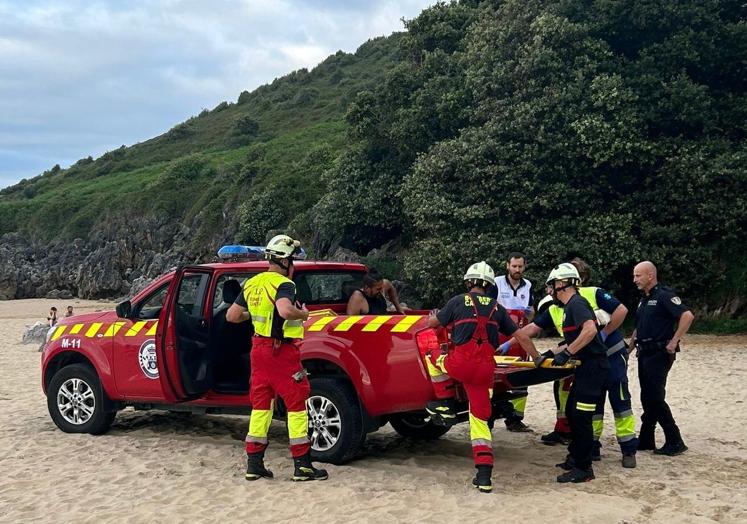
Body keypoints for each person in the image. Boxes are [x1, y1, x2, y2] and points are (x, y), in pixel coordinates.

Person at [424, 261, 540, 493]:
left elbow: (432, 323)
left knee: (431, 356)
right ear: (489, 286)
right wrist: (537, 359)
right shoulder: (498, 308)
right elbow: (523, 337)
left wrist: (433, 317)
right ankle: (484, 475)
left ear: (469, 282)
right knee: (479, 421)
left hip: (459, 365)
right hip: (485, 371)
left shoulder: (458, 301)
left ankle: (444, 402)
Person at [227, 234, 328, 482]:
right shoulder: (285, 284)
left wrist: (253, 317)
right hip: (281, 351)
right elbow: (284, 310)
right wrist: (303, 315)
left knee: (261, 406)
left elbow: (231, 315)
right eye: (292, 261)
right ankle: (302, 466)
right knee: (296, 404)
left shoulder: (252, 283)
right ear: (285, 262)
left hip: (258, 351)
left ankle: (254, 464)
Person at [536, 263, 610, 483]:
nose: (551, 292)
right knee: (571, 411)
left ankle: (584, 467)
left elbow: (589, 331)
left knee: (581, 417)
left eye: (552, 286)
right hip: (585, 368)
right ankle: (575, 457)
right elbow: (572, 339)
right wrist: (549, 354)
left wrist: (567, 353)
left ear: (562, 284)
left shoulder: (577, 304)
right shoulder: (571, 307)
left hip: (593, 369)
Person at [630, 261, 695, 456]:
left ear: (650, 275)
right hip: (645, 352)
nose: (635, 280)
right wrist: (629, 348)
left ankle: (674, 440)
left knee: (655, 398)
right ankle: (646, 438)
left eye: (638, 276)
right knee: (646, 396)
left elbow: (687, 316)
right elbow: (639, 327)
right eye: (634, 276)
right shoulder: (644, 299)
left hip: (659, 353)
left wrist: (674, 341)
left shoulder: (665, 296)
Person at [492, 252, 533, 432]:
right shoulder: (496, 283)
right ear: (507, 265)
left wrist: (529, 328)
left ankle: (515, 419)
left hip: (521, 334)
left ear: (524, 267)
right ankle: (490, 416)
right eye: (514, 266)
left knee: (521, 376)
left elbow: (531, 310)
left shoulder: (529, 285)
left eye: (520, 266)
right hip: (499, 333)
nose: (517, 270)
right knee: (495, 376)